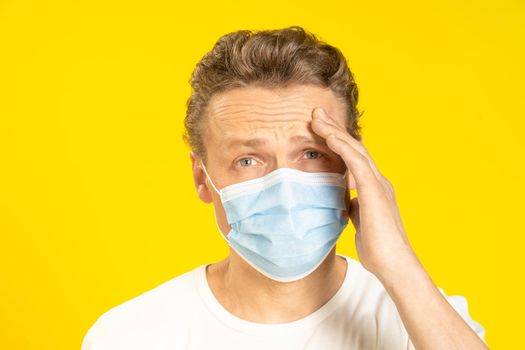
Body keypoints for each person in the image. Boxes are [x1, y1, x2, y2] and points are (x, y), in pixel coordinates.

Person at [81, 26, 487, 349]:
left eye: (311, 154)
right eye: (247, 160)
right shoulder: (132, 335)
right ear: (202, 177)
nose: (285, 186)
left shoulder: (416, 318)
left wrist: (398, 264)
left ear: (352, 165)